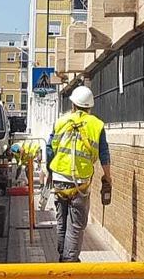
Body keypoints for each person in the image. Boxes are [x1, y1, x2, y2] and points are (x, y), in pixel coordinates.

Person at [46, 85, 110, 263]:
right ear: (89, 107)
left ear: (73, 104)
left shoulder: (60, 121)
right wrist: (108, 177)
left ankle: (63, 256)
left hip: (59, 178)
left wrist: (49, 171)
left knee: (62, 222)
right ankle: (69, 262)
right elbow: (104, 154)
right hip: (80, 183)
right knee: (76, 225)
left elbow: (50, 148)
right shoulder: (96, 125)